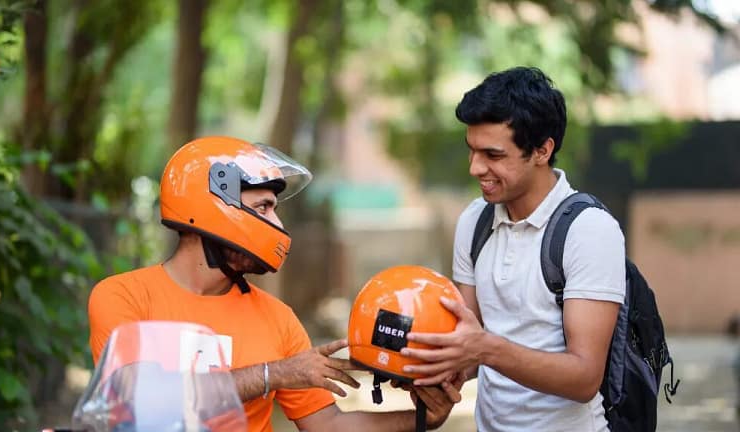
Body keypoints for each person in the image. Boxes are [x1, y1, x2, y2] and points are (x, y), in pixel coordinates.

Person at [88, 136, 457, 432]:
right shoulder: (123, 297)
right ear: (212, 204)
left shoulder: (278, 319)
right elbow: (139, 399)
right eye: (263, 207)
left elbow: (328, 425)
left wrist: (422, 419)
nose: (277, 225)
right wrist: (273, 374)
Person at [398, 67, 626, 431]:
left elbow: (585, 378)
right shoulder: (475, 222)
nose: (476, 167)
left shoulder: (589, 230)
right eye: (472, 150)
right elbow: (467, 344)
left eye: (493, 154)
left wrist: (485, 349)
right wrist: (423, 367)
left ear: (542, 150)